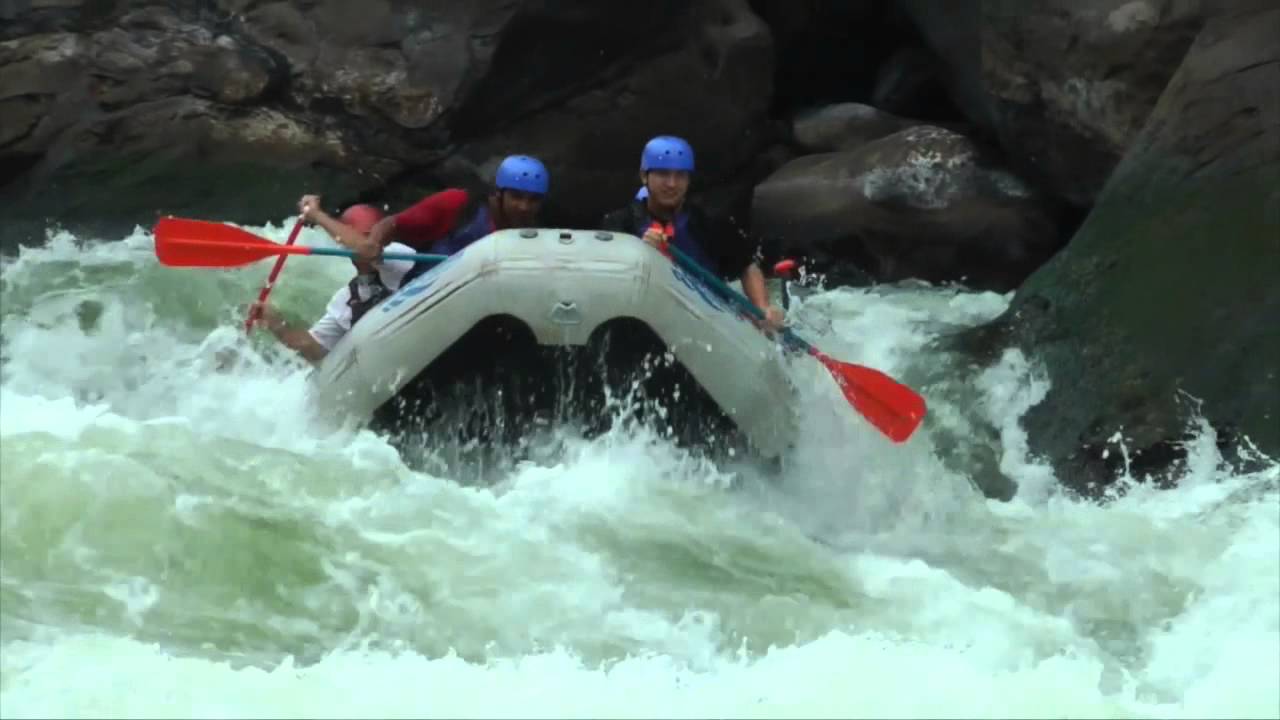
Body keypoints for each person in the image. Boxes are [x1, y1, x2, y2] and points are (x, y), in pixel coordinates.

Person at [601, 135, 785, 329]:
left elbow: (746, 266)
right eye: (663, 173)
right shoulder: (620, 223)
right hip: (646, 318)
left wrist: (762, 307)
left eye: (680, 175)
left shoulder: (708, 223)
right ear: (644, 176)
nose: (672, 184)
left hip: (707, 318)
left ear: (688, 180)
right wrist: (639, 251)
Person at [250, 196, 417, 364]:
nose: (368, 241)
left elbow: (365, 247)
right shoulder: (347, 300)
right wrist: (277, 325)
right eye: (363, 235)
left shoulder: (400, 256)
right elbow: (314, 348)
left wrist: (317, 215)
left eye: (370, 236)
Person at [365, 154, 550, 257]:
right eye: (516, 197)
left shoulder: (534, 239)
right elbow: (392, 223)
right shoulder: (457, 203)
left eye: (533, 200)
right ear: (499, 194)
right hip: (420, 289)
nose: (524, 207)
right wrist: (373, 243)